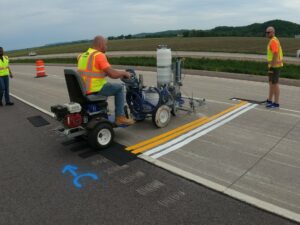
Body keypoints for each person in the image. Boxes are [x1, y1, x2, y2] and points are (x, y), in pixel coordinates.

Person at [77, 36, 134, 125]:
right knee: (119, 88)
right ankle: (120, 117)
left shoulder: (82, 56)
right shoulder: (99, 55)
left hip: (84, 88)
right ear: (101, 44)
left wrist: (106, 72)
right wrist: (124, 73)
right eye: (106, 45)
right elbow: (113, 75)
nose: (106, 47)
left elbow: (90, 72)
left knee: (113, 85)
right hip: (96, 88)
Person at [265, 26, 283, 109]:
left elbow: (275, 54)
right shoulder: (274, 40)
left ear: (273, 32)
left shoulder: (273, 41)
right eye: (266, 32)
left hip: (275, 66)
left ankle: (276, 103)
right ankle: (269, 100)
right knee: (271, 83)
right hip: (273, 66)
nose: (267, 34)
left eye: (268, 32)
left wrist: (272, 66)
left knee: (275, 84)